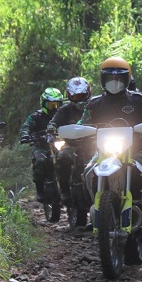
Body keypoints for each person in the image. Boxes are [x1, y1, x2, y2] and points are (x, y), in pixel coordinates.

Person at [79, 57, 142, 236]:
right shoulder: (94, 103)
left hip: (136, 150)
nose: (115, 82)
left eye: (119, 78)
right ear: (103, 79)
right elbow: (82, 124)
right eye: (110, 78)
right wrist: (76, 131)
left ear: (127, 79)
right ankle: (96, 213)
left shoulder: (139, 100)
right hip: (104, 151)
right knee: (88, 172)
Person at [47, 77, 93, 225]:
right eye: (75, 96)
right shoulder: (64, 110)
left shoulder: (95, 105)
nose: (79, 99)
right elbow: (53, 122)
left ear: (88, 93)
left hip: (94, 144)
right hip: (71, 145)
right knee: (62, 156)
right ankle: (65, 189)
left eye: (82, 95)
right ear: (69, 95)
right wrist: (51, 130)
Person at [20, 88, 64, 222]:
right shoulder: (36, 116)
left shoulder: (62, 115)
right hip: (41, 146)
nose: (53, 108)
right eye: (50, 105)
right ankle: (39, 189)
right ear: (43, 104)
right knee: (39, 161)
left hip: (60, 145)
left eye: (56, 105)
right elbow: (25, 127)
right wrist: (25, 135)